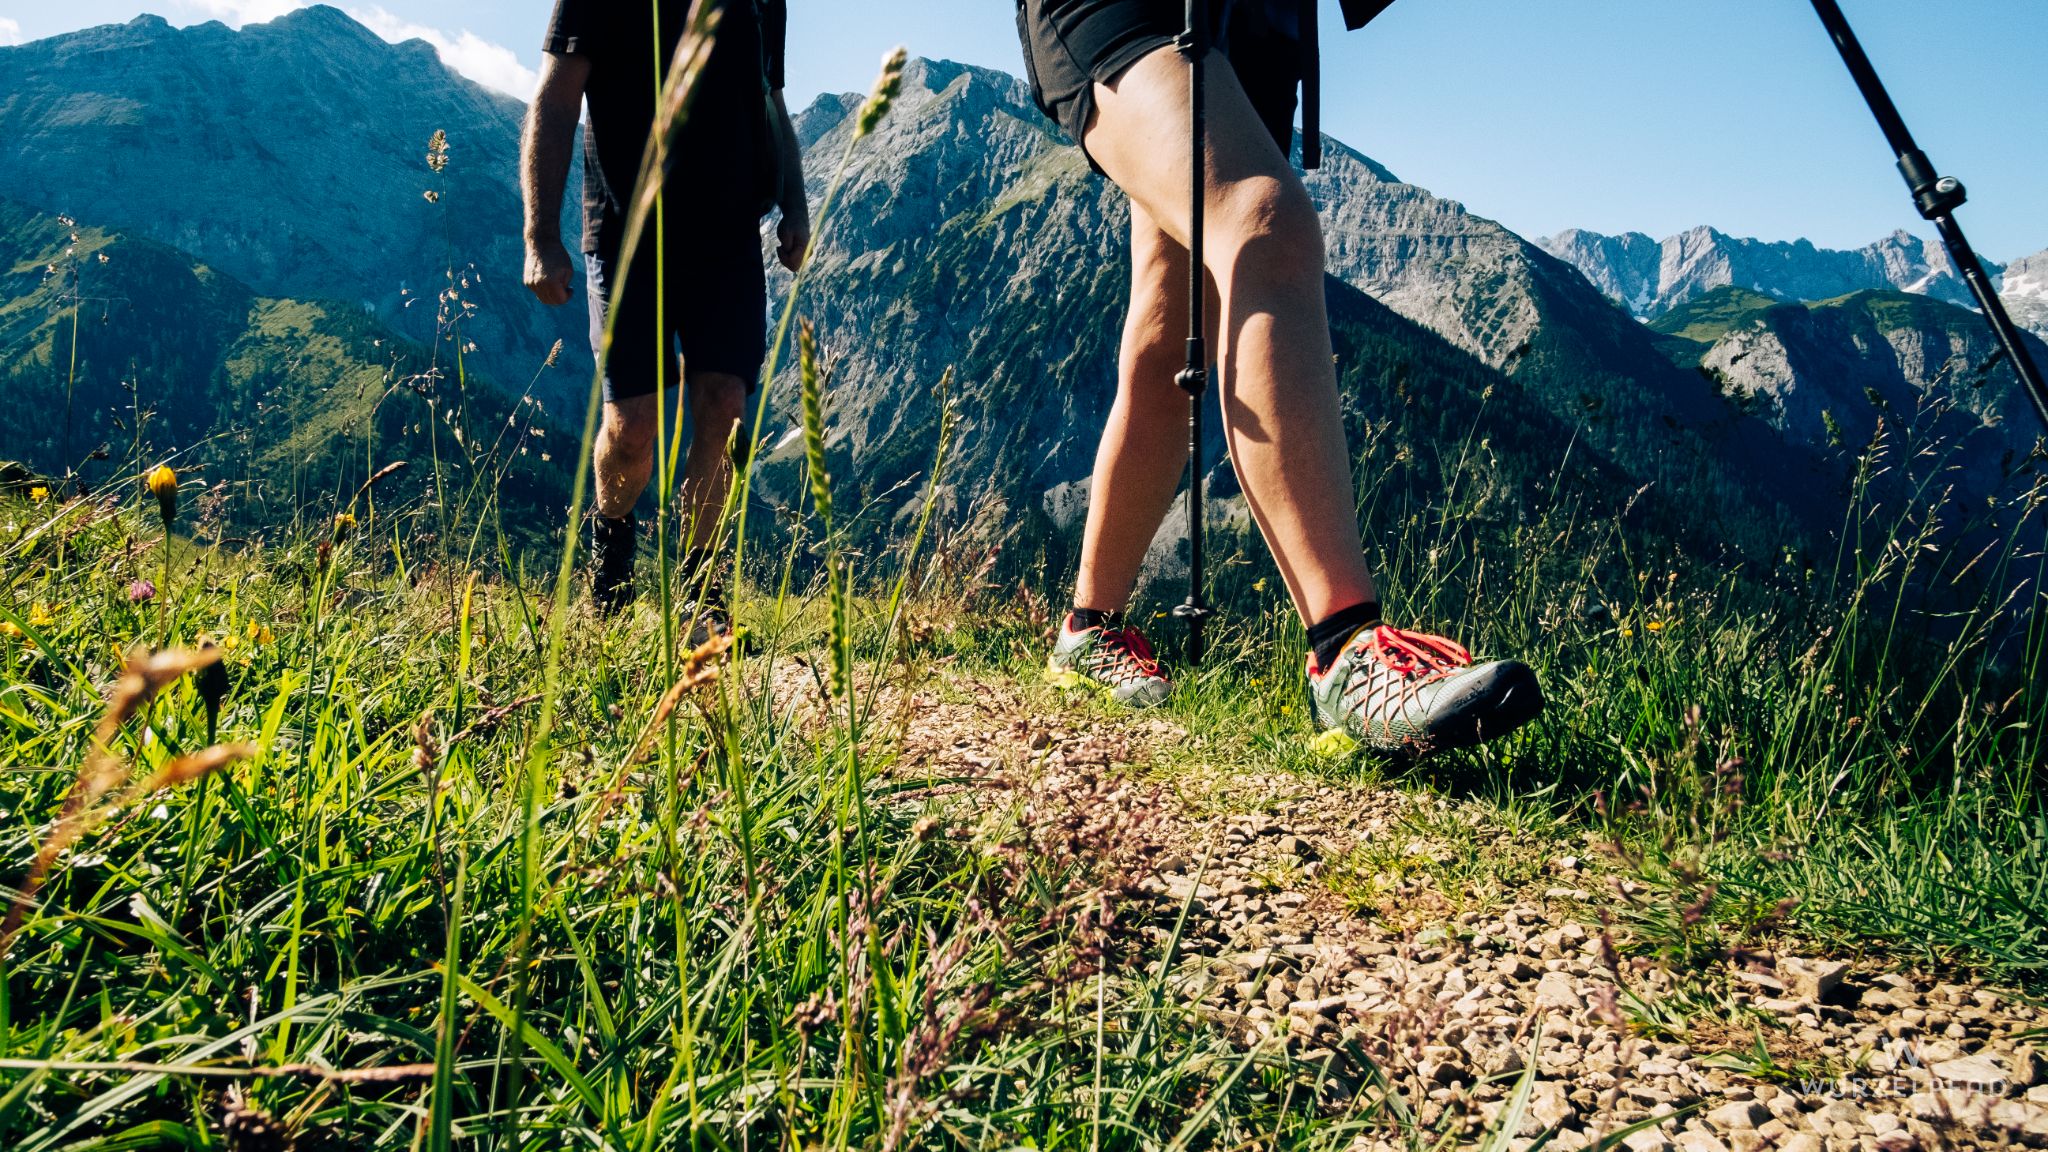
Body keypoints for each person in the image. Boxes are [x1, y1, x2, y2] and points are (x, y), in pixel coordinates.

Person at [1018, 0, 1543, 754]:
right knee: (1262, 219)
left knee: (1171, 327)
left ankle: (1087, 630)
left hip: (1252, 20)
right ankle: (1347, 651)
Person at [522, 0, 809, 622]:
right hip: (627, 234)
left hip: (729, 235)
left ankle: (701, 601)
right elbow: (556, 96)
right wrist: (540, 236)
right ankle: (612, 576)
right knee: (632, 430)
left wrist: (796, 204)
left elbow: (772, 101)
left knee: (723, 409)